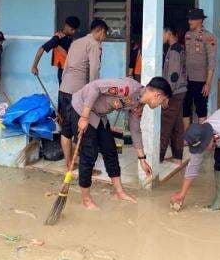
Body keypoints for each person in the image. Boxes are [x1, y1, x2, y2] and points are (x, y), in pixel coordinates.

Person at [68, 76, 173, 209]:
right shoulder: (127, 88)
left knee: (110, 150)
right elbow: (94, 87)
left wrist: (142, 159)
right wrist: (84, 117)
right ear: (157, 95)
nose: (160, 105)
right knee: (89, 154)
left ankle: (120, 192)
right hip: (82, 108)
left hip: (99, 115)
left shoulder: (138, 104)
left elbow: (135, 130)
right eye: (162, 101)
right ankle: (86, 199)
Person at [58, 18, 108, 169]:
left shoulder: (76, 42)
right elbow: (94, 71)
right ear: (99, 31)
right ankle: (81, 166)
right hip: (77, 93)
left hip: (64, 89)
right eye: (105, 34)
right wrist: (94, 93)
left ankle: (69, 163)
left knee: (66, 129)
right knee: (81, 130)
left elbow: (65, 66)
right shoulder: (94, 44)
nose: (104, 38)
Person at [183, 8, 216, 129]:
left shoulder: (209, 37)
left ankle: (203, 137)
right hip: (187, 78)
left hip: (201, 80)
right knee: (185, 106)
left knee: (201, 108)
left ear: (200, 20)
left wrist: (208, 83)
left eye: (192, 19)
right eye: (189, 19)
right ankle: (186, 136)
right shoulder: (187, 35)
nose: (189, 21)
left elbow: (212, 62)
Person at [160, 25, 187, 164]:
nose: (161, 37)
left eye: (162, 33)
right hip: (179, 91)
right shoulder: (176, 48)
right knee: (177, 125)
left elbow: (173, 76)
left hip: (174, 93)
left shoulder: (175, 50)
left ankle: (158, 157)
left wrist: (166, 96)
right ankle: (177, 156)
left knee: (165, 125)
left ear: (169, 33)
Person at [31, 16, 80, 84]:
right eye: (72, 29)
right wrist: (34, 66)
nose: (74, 32)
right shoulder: (57, 39)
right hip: (63, 71)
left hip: (70, 70)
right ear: (66, 26)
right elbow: (41, 49)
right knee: (64, 93)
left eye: (75, 30)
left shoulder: (68, 37)